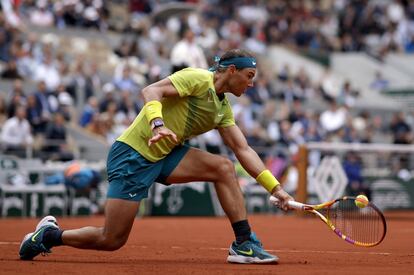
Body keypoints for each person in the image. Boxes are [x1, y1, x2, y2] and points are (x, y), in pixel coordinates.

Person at [19, 49, 293, 264]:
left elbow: (243, 149)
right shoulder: (198, 78)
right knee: (111, 239)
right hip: (133, 154)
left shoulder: (222, 107)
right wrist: (158, 124)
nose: (251, 84)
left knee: (223, 167)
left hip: (166, 154)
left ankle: (244, 243)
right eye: (248, 76)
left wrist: (277, 189)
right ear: (231, 71)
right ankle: (51, 236)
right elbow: (151, 91)